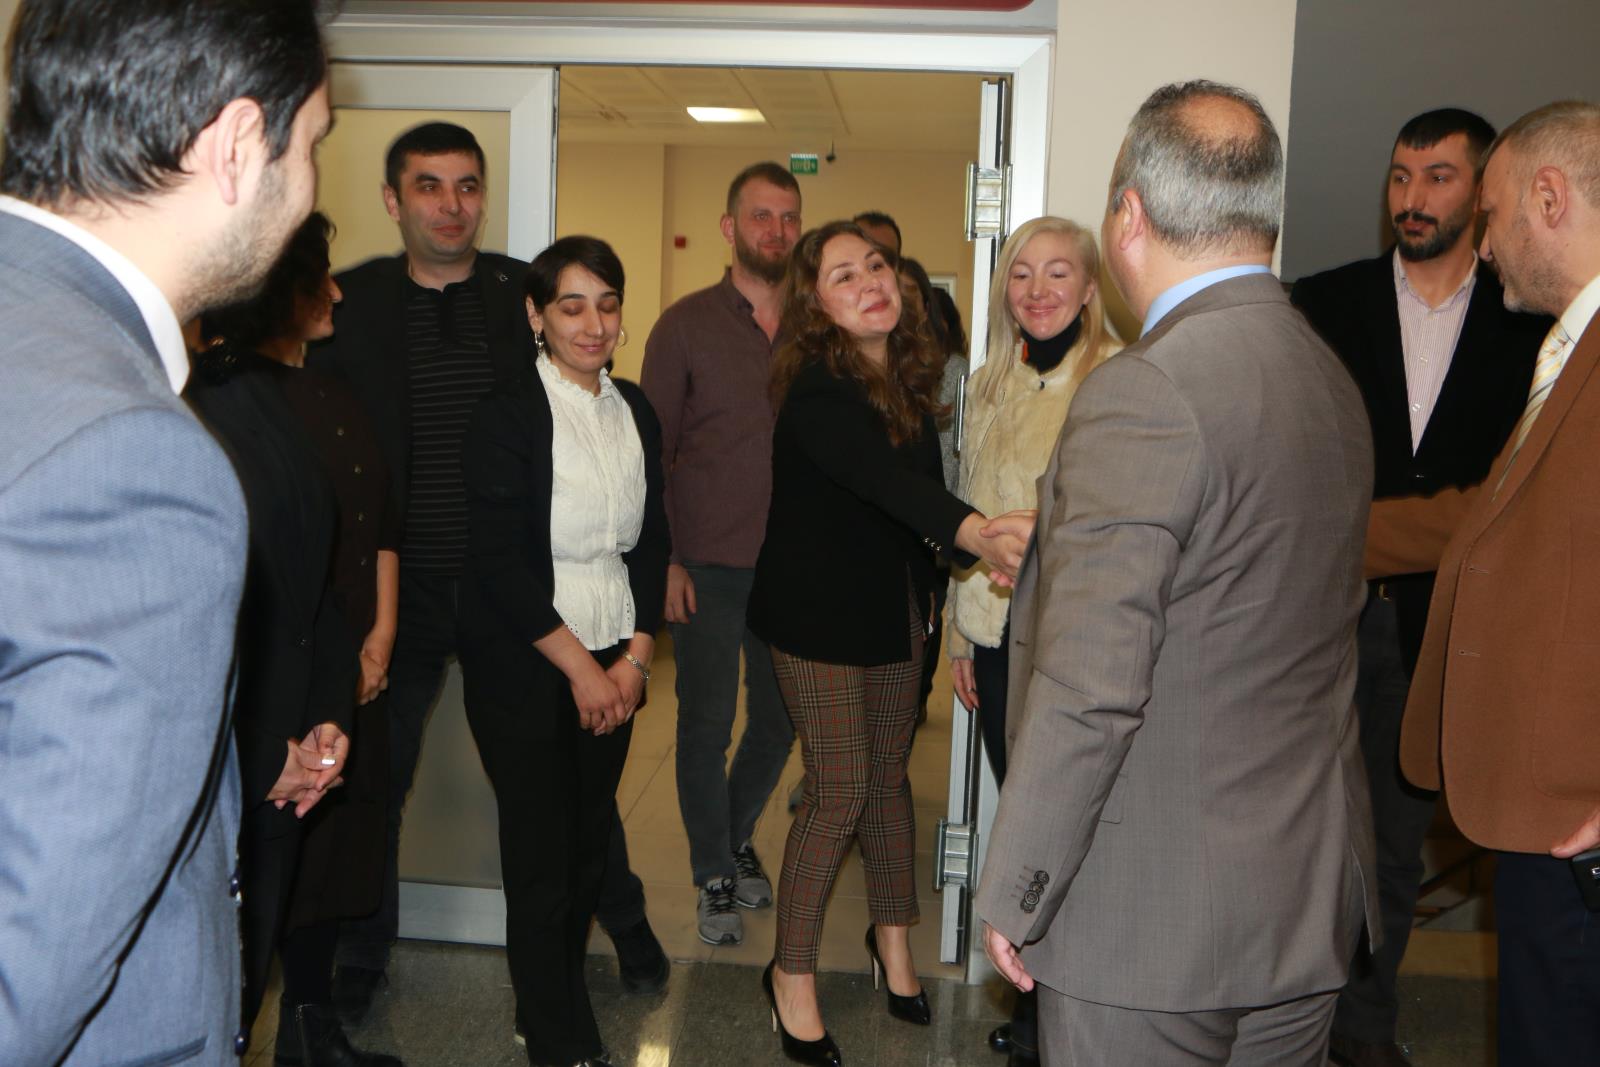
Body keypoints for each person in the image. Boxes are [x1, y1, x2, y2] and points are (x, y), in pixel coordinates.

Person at [977, 81, 1378, 1066]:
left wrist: (1020, 885)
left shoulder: (1145, 390)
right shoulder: (1329, 376)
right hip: (1302, 902)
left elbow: (1093, 686)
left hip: (1149, 924)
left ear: (1129, 215)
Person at [0, 2, 328, 1063]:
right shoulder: (134, 455)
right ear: (238, 145)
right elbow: (26, 974)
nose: (307, 188)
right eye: (311, 145)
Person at [313, 123, 666, 1013]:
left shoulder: (525, 292)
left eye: (467, 185)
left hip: (523, 594)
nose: (451, 205)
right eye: (428, 186)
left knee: (569, 783)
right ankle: (362, 951)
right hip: (404, 587)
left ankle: (622, 922)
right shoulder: (351, 303)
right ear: (393, 200)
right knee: (377, 778)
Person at [1290, 108, 1547, 1067]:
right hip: (1317, 623)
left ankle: (1361, 1029)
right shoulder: (1320, 302)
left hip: (1440, 630)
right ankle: (1285, 1020)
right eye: (1400, 176)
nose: (1412, 197)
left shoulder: (1531, 324)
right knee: (1300, 834)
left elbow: (1509, 500)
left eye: (1438, 176)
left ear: (1481, 193)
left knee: (1393, 846)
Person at [748, 220, 1033, 1066]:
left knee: (886, 783)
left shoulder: (900, 378)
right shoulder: (819, 390)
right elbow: (884, 485)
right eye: (843, 275)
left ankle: (894, 941)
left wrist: (941, 585)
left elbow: (913, 495)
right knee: (837, 791)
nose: (870, 281)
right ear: (815, 305)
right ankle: (790, 973)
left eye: (876, 265)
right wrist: (978, 533)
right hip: (819, 622)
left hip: (895, 613)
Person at [1364, 99, 1600, 1067]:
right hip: (1543, 806)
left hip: (1576, 814)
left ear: (1550, 197)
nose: (1485, 244)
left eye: (1492, 216)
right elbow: (1482, 517)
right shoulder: (1570, 346)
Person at [459, 236, 669, 1067]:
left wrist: (634, 661)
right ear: (536, 315)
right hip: (526, 659)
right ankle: (556, 1036)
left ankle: (548, 995)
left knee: (586, 850)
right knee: (542, 857)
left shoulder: (634, 409)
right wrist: (582, 668)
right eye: (572, 306)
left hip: (615, 649)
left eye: (607, 305)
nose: (593, 324)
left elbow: (652, 540)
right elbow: (499, 562)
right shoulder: (506, 411)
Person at [205, 212, 405, 1067]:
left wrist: (331, 711)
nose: (334, 291)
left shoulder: (291, 397)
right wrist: (264, 752)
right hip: (248, 744)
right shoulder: (205, 406)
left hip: (301, 724)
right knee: (216, 981)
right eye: (316, 276)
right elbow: (215, 618)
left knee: (248, 972)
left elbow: (319, 578)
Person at [946, 215, 1119, 1067]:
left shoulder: (1117, 380)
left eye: (1058, 273)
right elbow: (968, 509)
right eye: (1021, 273)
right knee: (1020, 817)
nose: (1038, 290)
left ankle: (1073, 1007)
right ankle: (1035, 1003)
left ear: (1089, 289)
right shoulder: (986, 384)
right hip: (992, 631)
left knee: (1070, 824)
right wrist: (959, 634)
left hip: (1073, 638)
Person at [640, 161, 800, 946]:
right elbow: (653, 453)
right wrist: (665, 558)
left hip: (794, 566)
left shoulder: (818, 328)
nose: (776, 230)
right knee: (707, 725)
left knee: (780, 719)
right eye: (761, 216)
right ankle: (714, 874)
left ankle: (731, 839)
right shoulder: (684, 325)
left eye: (789, 217)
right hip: (704, 564)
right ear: (730, 228)